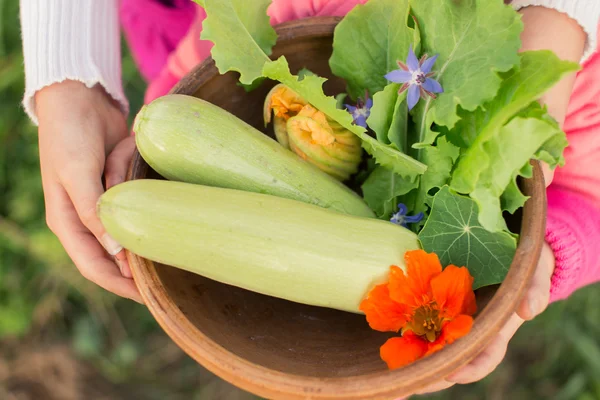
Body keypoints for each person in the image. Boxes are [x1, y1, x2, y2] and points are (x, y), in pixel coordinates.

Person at [19, 0, 600, 393]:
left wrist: (544, 243)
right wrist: (69, 78)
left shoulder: (578, 110)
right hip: (214, 29)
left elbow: (587, 202)